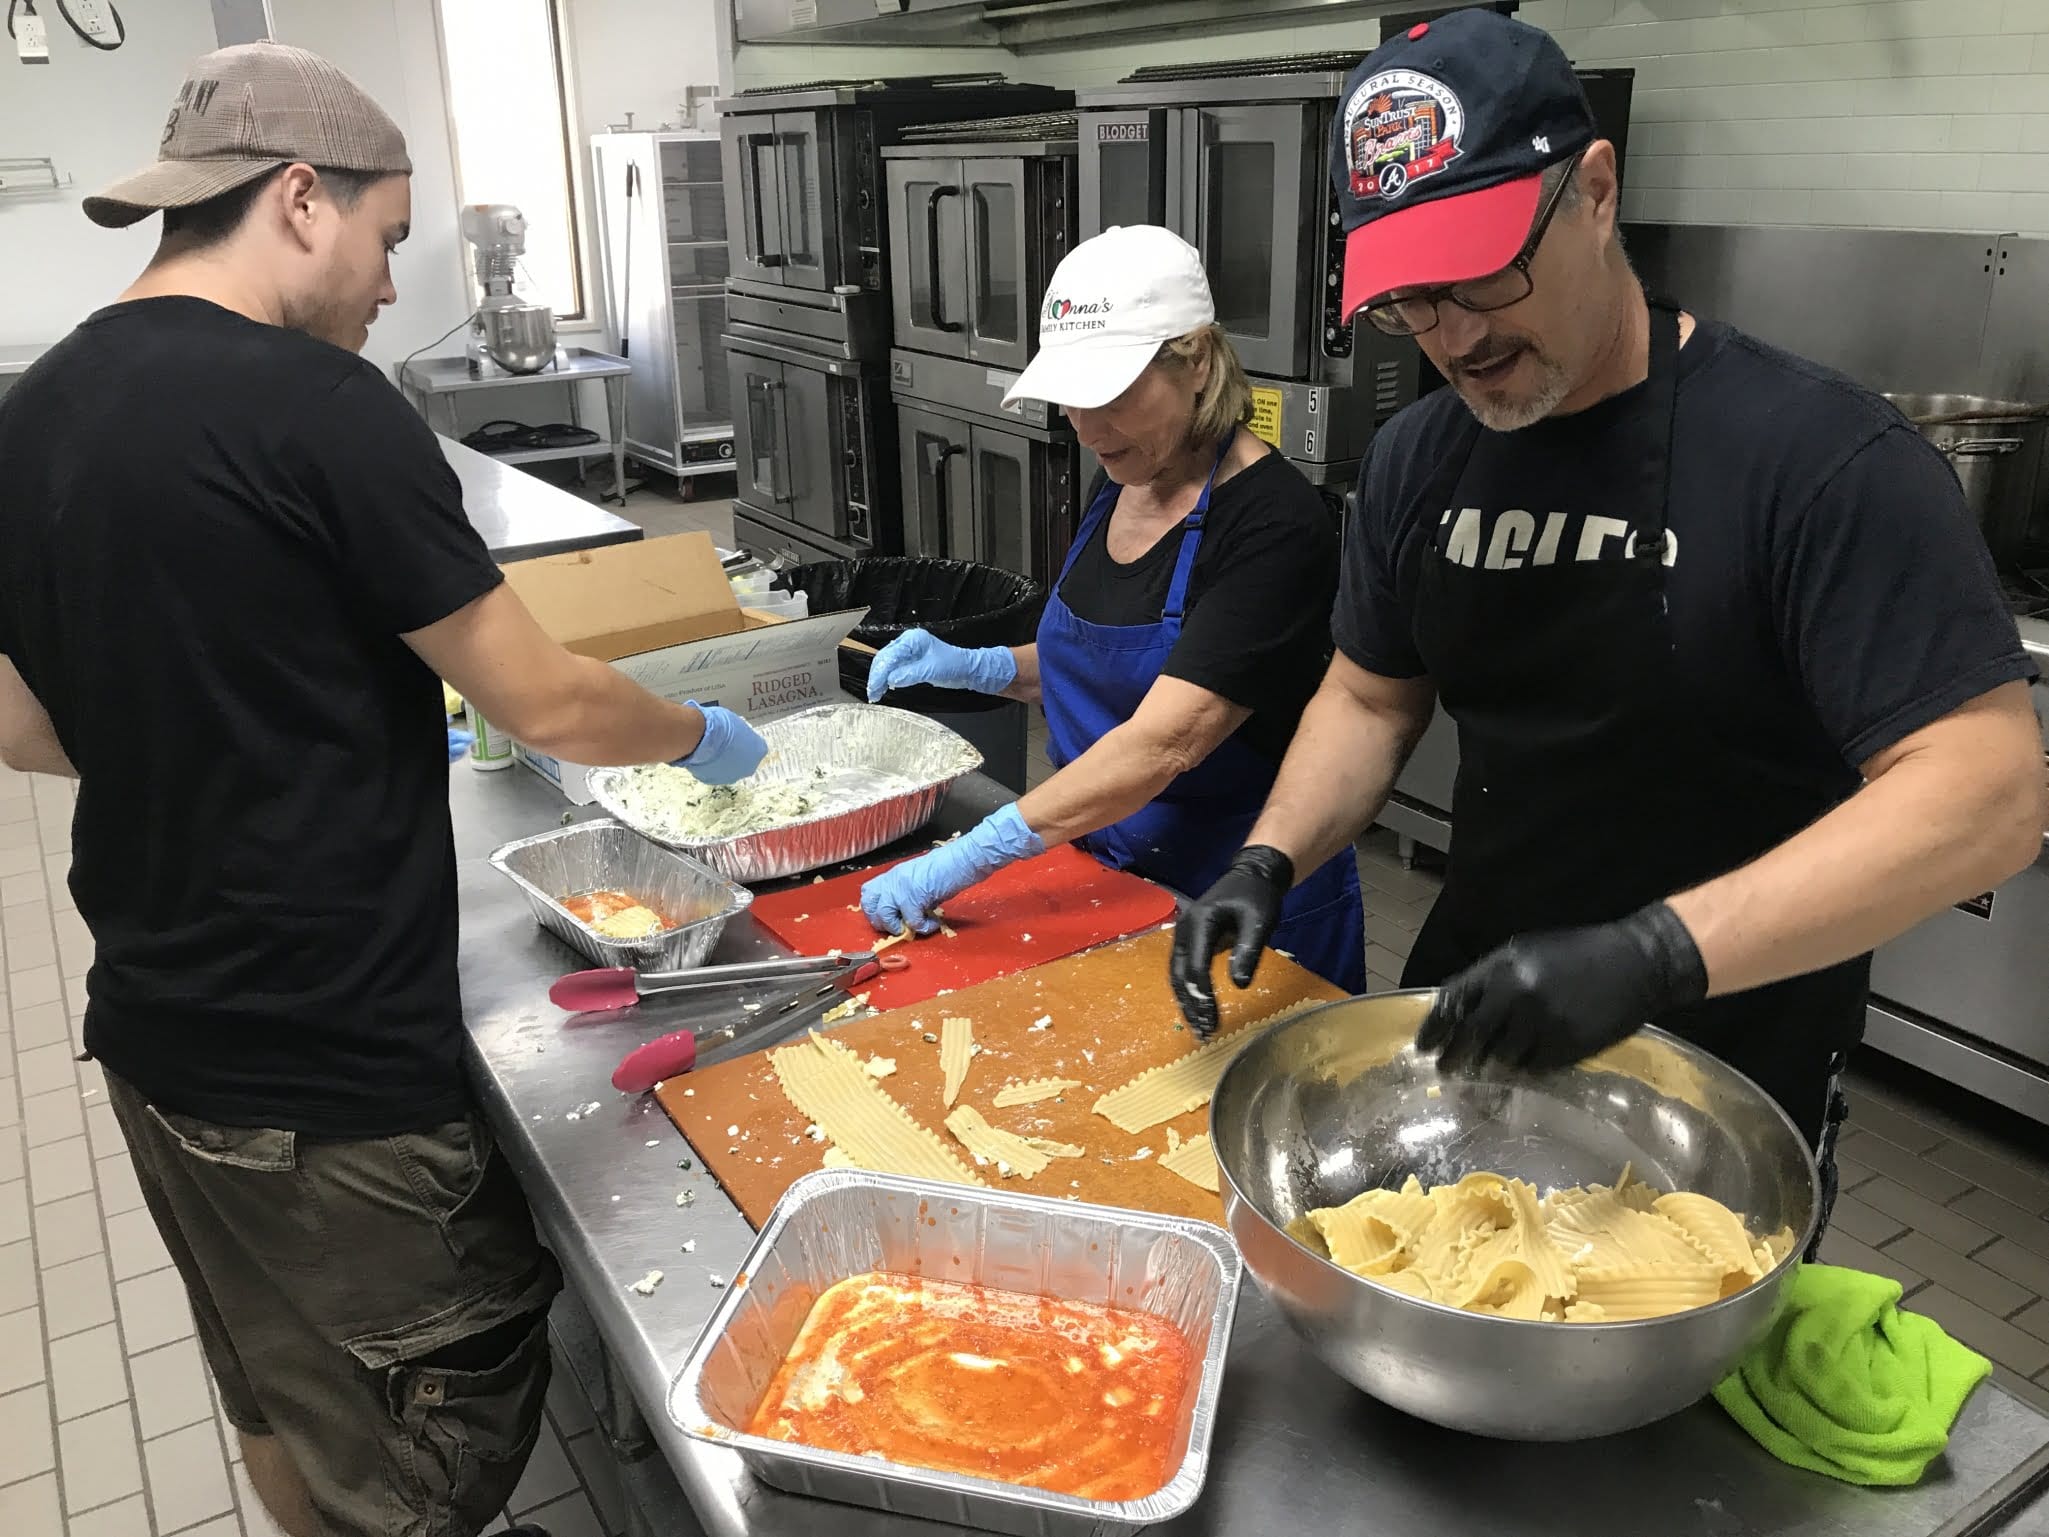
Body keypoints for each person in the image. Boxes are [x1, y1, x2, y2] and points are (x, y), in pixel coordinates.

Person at [0, 44, 766, 1537]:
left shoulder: (32, 412)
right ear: (299, 199)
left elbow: (21, 720)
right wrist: (701, 738)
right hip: (325, 1068)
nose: (386, 287)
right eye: (388, 240)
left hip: (160, 1042)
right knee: (440, 1442)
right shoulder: (322, 406)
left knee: (284, 1392)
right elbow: (541, 695)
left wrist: (211, 739)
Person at [1170, 9, 2043, 1224]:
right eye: (1412, 301)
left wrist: (1652, 954)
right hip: (1470, 1042)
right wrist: (1270, 855)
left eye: (1485, 273)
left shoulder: (1817, 458)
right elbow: (1371, 696)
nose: (1457, 336)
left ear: (1594, 190)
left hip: (1725, 1088)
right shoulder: (1425, 458)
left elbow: (1991, 792)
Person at [858, 225, 1368, 993]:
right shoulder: (1123, 478)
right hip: (1110, 868)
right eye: (1070, 398)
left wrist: (977, 849)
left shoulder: (1273, 526)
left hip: (1239, 902)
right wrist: (986, 667)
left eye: (1111, 395)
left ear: (1195, 361)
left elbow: (1166, 740)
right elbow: (1094, 668)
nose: (1087, 427)